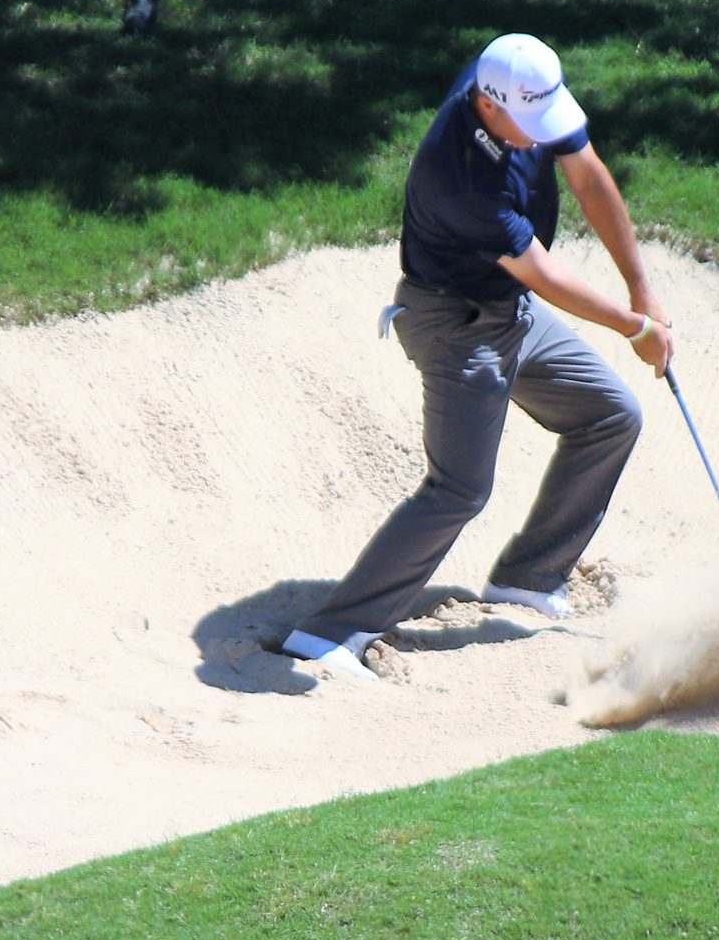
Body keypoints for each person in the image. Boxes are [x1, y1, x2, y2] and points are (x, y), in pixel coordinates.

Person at [282, 34, 675, 683]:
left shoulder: (517, 84)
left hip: (509, 308)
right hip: (456, 324)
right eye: (532, 126)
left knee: (611, 414)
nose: (542, 136)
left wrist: (641, 285)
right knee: (460, 488)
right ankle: (325, 635)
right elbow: (544, 275)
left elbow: (588, 175)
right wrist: (635, 329)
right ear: (490, 107)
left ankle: (528, 577)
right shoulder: (460, 176)